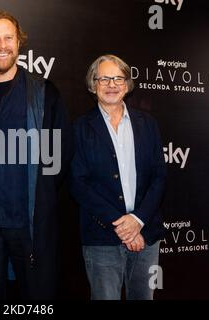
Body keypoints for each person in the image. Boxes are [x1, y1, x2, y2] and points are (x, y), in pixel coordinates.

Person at [0, 11, 71, 299]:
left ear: (19, 43)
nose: (2, 44)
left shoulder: (44, 94)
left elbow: (58, 158)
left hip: (29, 226)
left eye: (8, 37)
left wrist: (37, 200)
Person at [71, 54, 166, 300]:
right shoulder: (80, 128)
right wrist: (122, 226)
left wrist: (138, 220)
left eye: (118, 78)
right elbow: (78, 183)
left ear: (126, 84)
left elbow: (159, 177)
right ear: (93, 85)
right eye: (104, 79)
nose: (111, 85)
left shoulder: (148, 124)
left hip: (146, 235)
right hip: (102, 238)